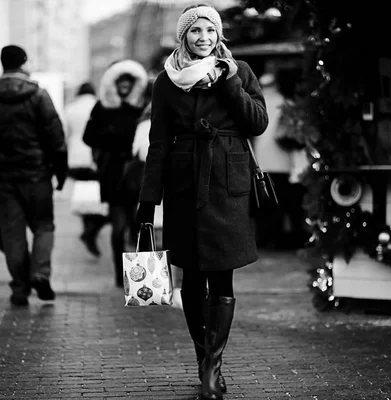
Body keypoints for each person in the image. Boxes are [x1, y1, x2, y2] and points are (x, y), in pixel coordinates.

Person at [135, 4, 268, 400]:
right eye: (195, 31)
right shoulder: (165, 81)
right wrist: (147, 201)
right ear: (184, 36)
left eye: (210, 30)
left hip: (228, 184)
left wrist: (228, 83)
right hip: (184, 185)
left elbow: (257, 122)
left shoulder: (239, 71)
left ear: (219, 34)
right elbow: (157, 144)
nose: (204, 37)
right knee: (191, 278)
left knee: (222, 274)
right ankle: (202, 354)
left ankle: (213, 365)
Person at [0, 45, 68, 307]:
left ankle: (19, 289)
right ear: (24, 63)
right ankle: (40, 272)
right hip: (37, 175)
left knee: (12, 233)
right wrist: (60, 172)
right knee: (43, 226)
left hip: (4, 179)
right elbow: (55, 138)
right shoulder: (38, 95)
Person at [82, 59, 148, 288]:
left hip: (138, 174)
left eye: (129, 82)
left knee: (138, 227)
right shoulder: (103, 107)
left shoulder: (142, 106)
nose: (124, 85)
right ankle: (121, 276)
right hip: (113, 175)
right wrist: (110, 135)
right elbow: (88, 136)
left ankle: (140, 278)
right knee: (119, 227)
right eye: (121, 81)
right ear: (114, 82)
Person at [64, 81, 108, 257]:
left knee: (84, 196)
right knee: (98, 198)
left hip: (75, 159)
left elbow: (65, 135)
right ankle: (91, 231)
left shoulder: (70, 109)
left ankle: (88, 229)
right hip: (93, 159)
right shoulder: (100, 106)